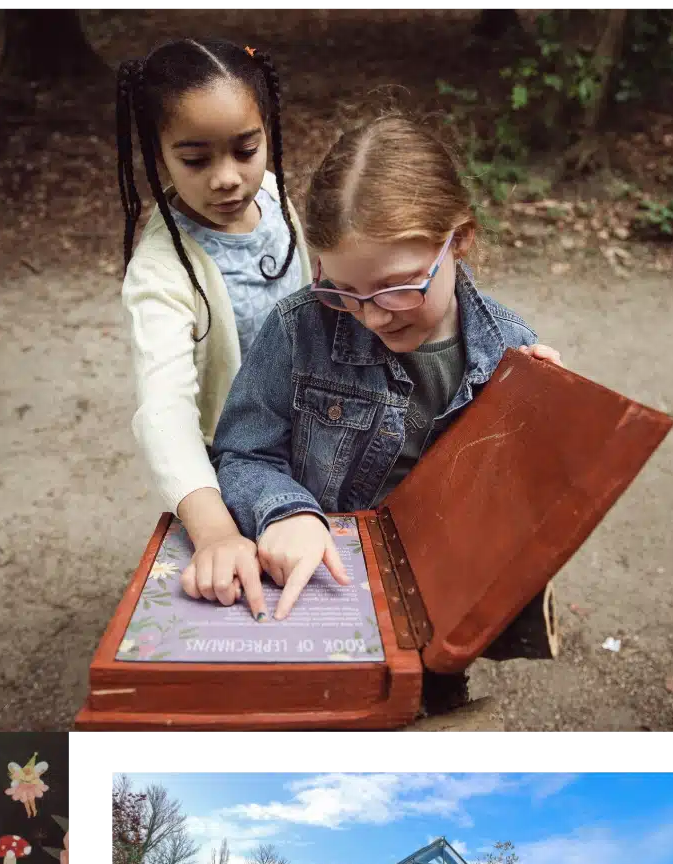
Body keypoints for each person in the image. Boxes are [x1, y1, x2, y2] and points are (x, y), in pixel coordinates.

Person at [213, 113, 565, 620]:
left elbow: (520, 505)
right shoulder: (299, 329)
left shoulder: (509, 353)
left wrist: (548, 415)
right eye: (344, 291)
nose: (374, 315)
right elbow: (242, 454)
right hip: (320, 577)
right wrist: (286, 513)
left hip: (439, 591)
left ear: (459, 239)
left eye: (399, 287)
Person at [118, 37, 313, 619]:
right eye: (196, 159)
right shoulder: (162, 267)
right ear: (157, 154)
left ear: (267, 133)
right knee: (256, 600)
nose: (228, 178)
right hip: (231, 459)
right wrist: (213, 531)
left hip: (320, 427)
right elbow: (164, 408)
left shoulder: (278, 198)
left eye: (246, 150)